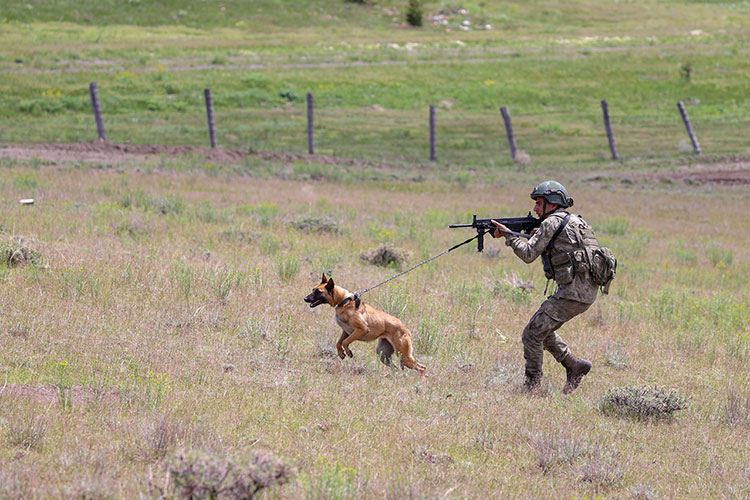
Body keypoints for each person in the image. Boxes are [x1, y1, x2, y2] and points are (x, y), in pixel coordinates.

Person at [490, 181, 598, 394]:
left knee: (531, 334)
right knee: (542, 329)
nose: (536, 209)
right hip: (585, 290)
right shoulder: (576, 221)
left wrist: (510, 235)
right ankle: (575, 366)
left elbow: (529, 255)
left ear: (552, 204)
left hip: (573, 293)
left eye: (539, 203)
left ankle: (532, 386)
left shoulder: (551, 224)